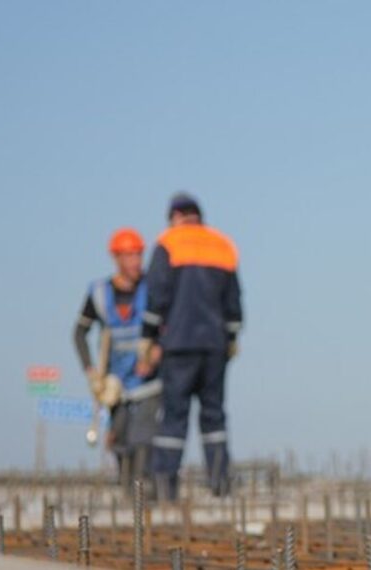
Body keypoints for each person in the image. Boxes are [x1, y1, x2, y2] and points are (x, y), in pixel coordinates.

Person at [140, 192, 243, 500]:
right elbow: (234, 302)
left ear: (175, 216)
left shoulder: (169, 243)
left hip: (179, 345)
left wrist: (148, 336)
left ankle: (164, 487)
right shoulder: (222, 244)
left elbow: (157, 295)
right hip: (214, 345)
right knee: (214, 415)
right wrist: (232, 338)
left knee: (174, 415)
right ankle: (220, 482)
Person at [73, 227, 160, 493]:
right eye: (129, 256)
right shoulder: (99, 294)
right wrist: (91, 372)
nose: (136, 262)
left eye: (138, 255)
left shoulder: (153, 289)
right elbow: (79, 333)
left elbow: (170, 327)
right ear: (117, 258)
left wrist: (157, 353)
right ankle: (128, 493)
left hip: (149, 380)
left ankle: (146, 495)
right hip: (115, 384)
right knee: (120, 438)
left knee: (142, 437)